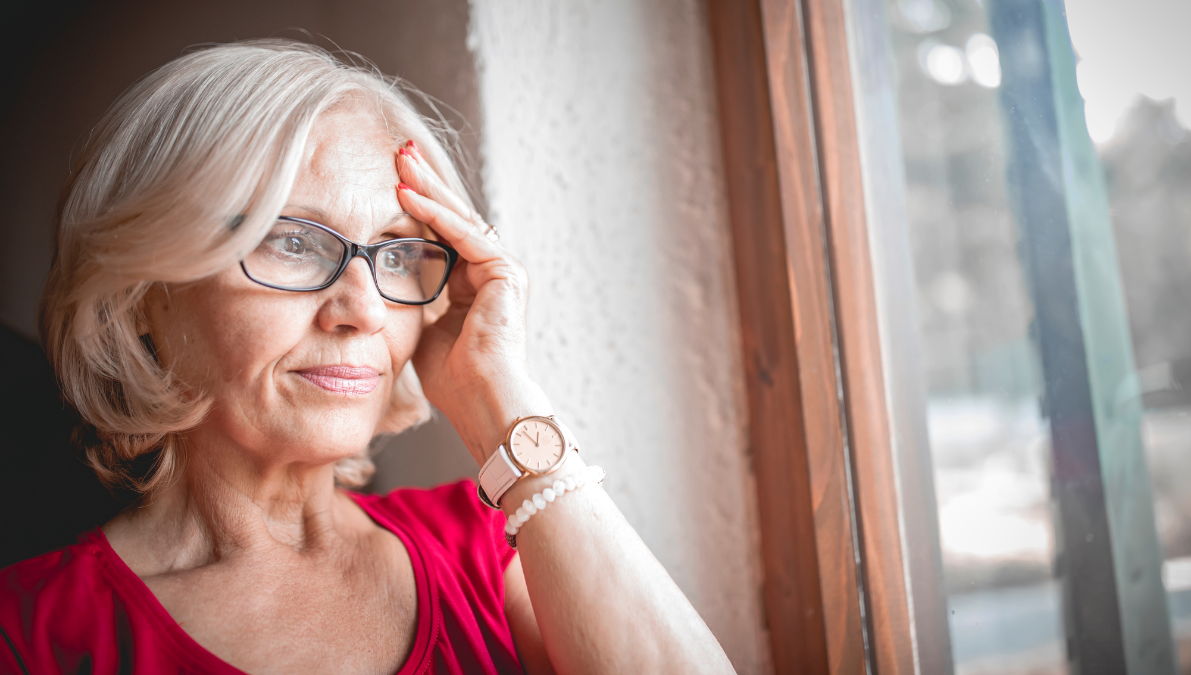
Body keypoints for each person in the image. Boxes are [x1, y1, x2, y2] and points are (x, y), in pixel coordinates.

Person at [0, 40, 735, 675]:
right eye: (292, 240)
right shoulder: (32, 634)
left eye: (397, 253)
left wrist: (500, 396)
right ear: (144, 296)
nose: (366, 309)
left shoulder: (487, 547)